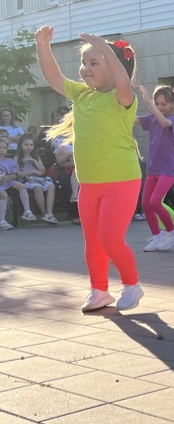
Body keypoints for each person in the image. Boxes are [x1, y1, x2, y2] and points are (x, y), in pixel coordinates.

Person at [38, 27, 144, 311]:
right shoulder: (81, 95)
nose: (85, 68)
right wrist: (43, 46)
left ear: (114, 66)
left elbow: (124, 83)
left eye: (94, 62)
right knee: (93, 242)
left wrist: (105, 48)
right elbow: (53, 77)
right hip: (89, 184)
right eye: (83, 62)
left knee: (110, 239)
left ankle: (132, 285)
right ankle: (99, 290)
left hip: (121, 181)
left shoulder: (122, 98)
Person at [136, 84, 174, 252]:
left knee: (155, 202)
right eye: (157, 103)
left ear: (172, 104)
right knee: (146, 204)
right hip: (153, 169)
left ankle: (172, 232)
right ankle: (157, 236)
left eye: (163, 104)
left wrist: (149, 103)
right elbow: (132, 119)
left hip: (168, 169)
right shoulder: (151, 118)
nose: (160, 107)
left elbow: (164, 122)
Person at [15, 133, 57, 224]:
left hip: (38, 179)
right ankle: (43, 213)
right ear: (21, 145)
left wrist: (34, 161)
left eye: (31, 145)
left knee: (51, 186)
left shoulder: (36, 157)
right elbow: (18, 174)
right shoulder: (17, 158)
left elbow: (42, 171)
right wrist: (33, 171)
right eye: (26, 145)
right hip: (26, 181)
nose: (29, 147)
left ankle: (49, 213)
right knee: (37, 187)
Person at [0, 137, 28, 229]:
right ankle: (2, 221)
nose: (2, 150)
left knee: (21, 185)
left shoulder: (10, 161)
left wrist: (9, 177)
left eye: (4, 148)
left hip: (8, 182)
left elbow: (15, 174)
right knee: (4, 195)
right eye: (0, 148)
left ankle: (27, 211)